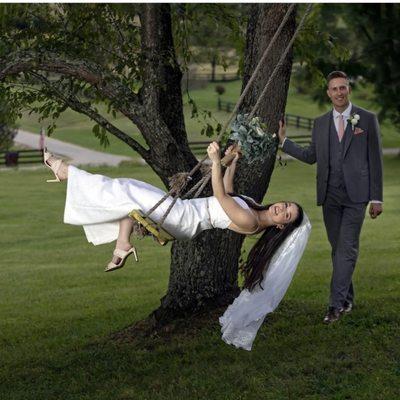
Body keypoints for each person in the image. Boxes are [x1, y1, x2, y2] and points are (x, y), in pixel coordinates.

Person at [44, 142, 311, 350]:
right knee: (129, 188)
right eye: (286, 205)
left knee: (126, 192)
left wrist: (217, 161)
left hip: (186, 218)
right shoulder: (252, 205)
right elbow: (229, 193)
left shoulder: (251, 221)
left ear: (280, 226)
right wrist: (233, 163)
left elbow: (218, 195)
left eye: (285, 215)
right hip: (184, 211)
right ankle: (122, 245)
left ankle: (66, 172)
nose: (281, 209)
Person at [278, 70, 383, 324]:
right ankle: (347, 299)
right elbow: (311, 155)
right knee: (338, 250)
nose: (339, 92)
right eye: (334, 88)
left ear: (349, 90)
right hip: (330, 196)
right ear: (328, 92)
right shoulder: (320, 123)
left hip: (357, 196)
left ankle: (335, 307)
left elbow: (375, 160)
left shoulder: (366, 119)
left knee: (346, 249)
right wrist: (284, 142)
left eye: (343, 88)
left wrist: (376, 198)